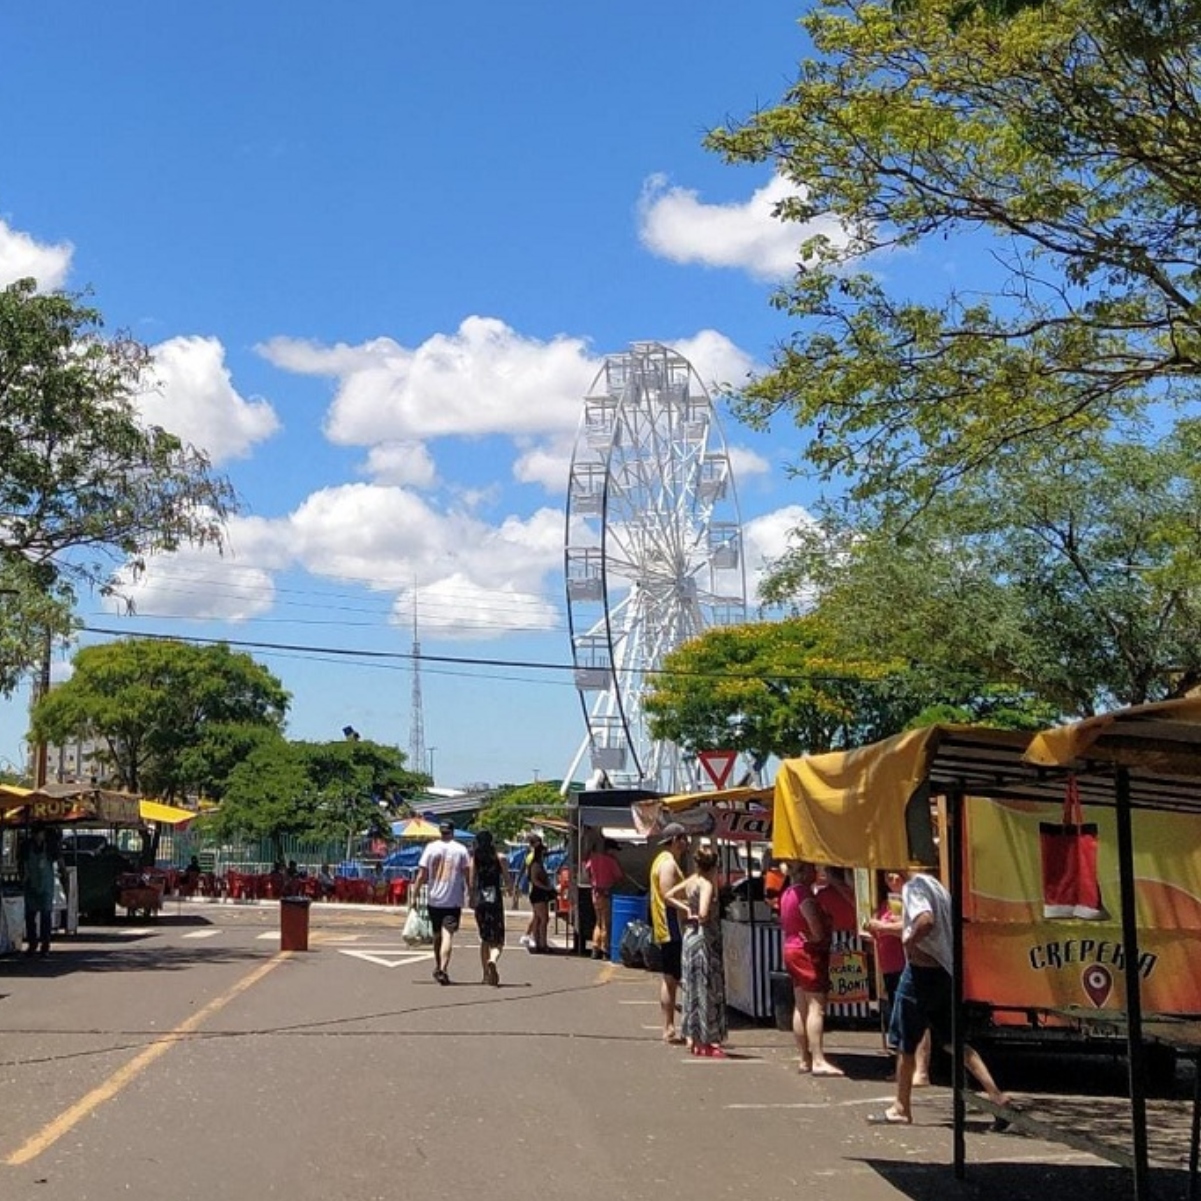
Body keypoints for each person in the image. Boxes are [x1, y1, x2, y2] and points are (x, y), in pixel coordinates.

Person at [868, 869, 1011, 1126]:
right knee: (953, 1041)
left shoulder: (914, 888)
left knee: (905, 1041)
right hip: (944, 971)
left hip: (921, 973)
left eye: (890, 875)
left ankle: (901, 1107)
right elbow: (920, 921)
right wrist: (889, 928)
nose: (888, 881)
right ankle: (997, 1097)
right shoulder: (934, 885)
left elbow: (925, 920)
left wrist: (909, 942)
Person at [863, 869, 930, 1085]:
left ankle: (920, 1071)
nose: (892, 881)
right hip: (890, 966)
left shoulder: (912, 899)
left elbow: (909, 927)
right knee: (900, 1020)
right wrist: (873, 928)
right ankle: (904, 1070)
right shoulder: (887, 903)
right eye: (888, 877)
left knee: (915, 1019)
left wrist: (883, 926)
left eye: (896, 876)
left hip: (905, 964)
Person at [780, 860, 843, 1076]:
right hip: (806, 951)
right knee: (816, 1006)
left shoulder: (787, 893)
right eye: (813, 869)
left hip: (790, 947)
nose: (816, 873)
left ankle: (804, 1058)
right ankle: (817, 1058)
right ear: (805, 871)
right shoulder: (805, 895)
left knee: (801, 1005)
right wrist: (820, 935)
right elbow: (816, 929)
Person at [665, 844, 727, 1057]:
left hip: (689, 938)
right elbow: (704, 913)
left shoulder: (691, 881)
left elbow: (669, 895)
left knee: (691, 988)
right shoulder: (706, 884)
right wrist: (698, 914)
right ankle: (705, 1040)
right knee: (706, 988)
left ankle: (693, 1037)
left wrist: (685, 909)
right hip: (704, 939)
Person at [411, 821, 471, 985]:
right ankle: (443, 968)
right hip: (453, 899)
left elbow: (421, 874)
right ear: (453, 832)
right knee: (447, 935)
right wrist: (471, 893)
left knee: (437, 935)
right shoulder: (461, 849)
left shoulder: (431, 848)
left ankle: (439, 966)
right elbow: (467, 874)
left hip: (434, 898)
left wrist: (414, 896)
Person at [649, 822, 689, 1044]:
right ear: (674, 840)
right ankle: (669, 1025)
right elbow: (667, 895)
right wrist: (688, 907)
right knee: (672, 978)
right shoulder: (667, 863)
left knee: (671, 978)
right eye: (682, 838)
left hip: (668, 925)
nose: (685, 843)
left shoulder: (665, 860)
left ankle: (671, 1025)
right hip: (671, 925)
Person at [468, 830, 511, 986]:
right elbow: (507, 879)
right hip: (495, 899)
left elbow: (471, 882)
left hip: (480, 899)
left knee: (484, 937)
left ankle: (485, 974)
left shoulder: (475, 859)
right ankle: (492, 959)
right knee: (498, 938)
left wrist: (471, 898)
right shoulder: (500, 858)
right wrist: (511, 890)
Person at [22, 826, 67, 958]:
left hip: (46, 885)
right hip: (30, 884)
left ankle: (45, 945)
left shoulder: (50, 846)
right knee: (30, 916)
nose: (38, 837)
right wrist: (24, 877)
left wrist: (63, 872)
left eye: (40, 834)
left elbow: (59, 860)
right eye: (36, 834)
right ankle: (32, 943)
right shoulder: (26, 846)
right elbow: (23, 863)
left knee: (46, 915)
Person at [584, 838, 623, 959]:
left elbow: (587, 870)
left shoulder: (593, 859)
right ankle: (605, 949)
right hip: (606, 893)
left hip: (595, 893)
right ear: (609, 849)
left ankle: (595, 948)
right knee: (606, 922)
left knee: (598, 921)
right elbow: (619, 876)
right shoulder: (611, 861)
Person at [523, 841, 555, 953]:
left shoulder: (539, 864)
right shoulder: (536, 864)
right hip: (538, 893)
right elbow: (534, 880)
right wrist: (546, 888)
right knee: (543, 918)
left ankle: (539, 943)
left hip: (540, 893)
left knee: (538, 918)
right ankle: (542, 943)